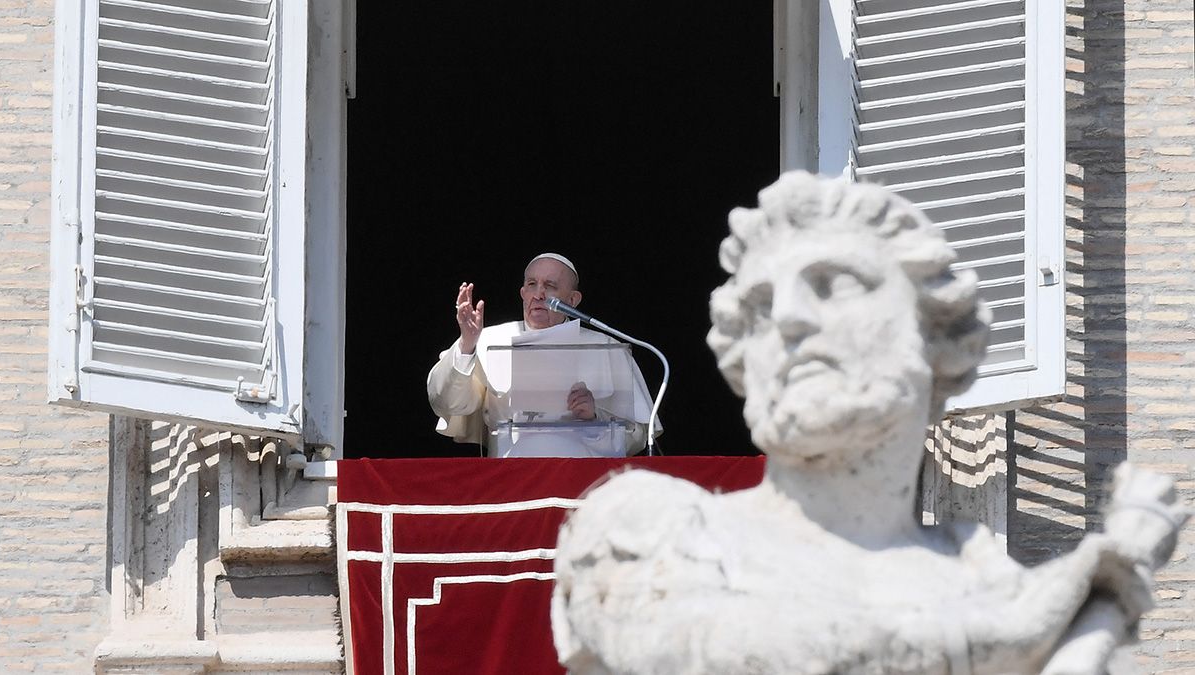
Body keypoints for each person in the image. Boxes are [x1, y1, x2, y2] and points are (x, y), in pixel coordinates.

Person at [551, 172, 1187, 674]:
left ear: (935, 338)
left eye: (836, 285)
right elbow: (736, 653)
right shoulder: (649, 533)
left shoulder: (991, 584)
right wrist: (1054, 607)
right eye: (760, 305)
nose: (790, 319)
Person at [427, 252, 657, 456]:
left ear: (572, 300)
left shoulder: (605, 346)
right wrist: (467, 343)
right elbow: (449, 404)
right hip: (510, 475)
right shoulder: (487, 340)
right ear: (522, 293)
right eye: (532, 284)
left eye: (551, 286)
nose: (539, 294)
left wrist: (594, 418)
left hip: (583, 479)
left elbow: (638, 435)